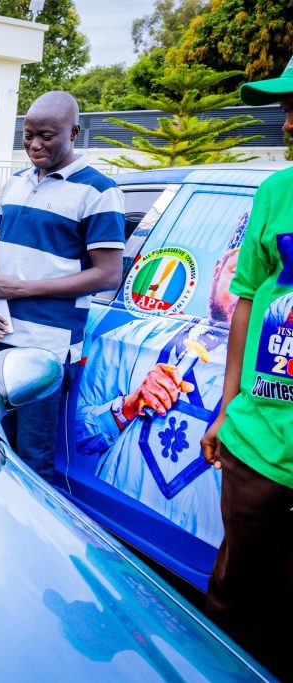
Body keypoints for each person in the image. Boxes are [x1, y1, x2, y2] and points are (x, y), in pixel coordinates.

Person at [199, 61, 293, 681]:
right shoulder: (275, 193)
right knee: (237, 610)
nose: (287, 124)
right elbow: (247, 300)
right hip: (257, 445)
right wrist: (227, 406)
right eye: (287, 110)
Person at [73, 215, 248, 547]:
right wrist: (128, 405)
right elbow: (77, 436)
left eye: (261, 285)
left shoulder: (272, 374)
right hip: (107, 530)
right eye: (238, 274)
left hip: (200, 558)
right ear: (216, 272)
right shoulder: (137, 335)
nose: (246, 296)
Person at [0, 91, 124, 482]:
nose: (34, 145)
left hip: (45, 350)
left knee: (32, 458)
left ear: (74, 132)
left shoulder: (99, 192)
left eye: (46, 136)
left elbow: (108, 274)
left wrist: (22, 289)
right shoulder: (14, 183)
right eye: (28, 135)